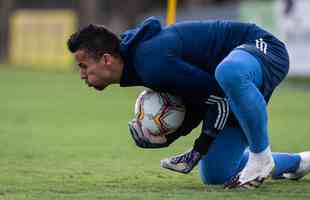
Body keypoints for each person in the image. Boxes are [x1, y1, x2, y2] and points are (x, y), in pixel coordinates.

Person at [67, 17, 310, 188]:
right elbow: (202, 99)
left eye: (83, 66)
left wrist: (199, 148)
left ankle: (260, 156)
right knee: (217, 173)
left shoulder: (151, 63)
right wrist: (166, 138)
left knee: (228, 72)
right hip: (230, 86)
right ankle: (300, 162)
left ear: (107, 59)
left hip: (261, 48)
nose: (81, 75)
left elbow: (217, 95)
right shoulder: (140, 67)